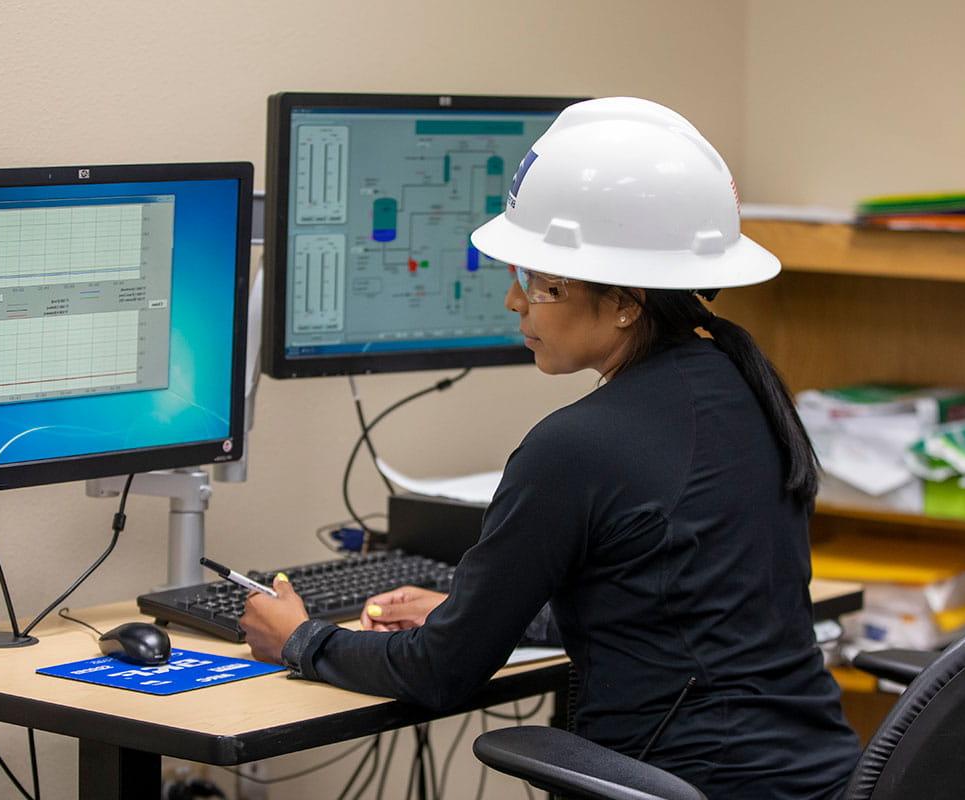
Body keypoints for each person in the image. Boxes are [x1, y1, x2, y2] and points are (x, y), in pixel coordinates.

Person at [241, 97, 860, 799]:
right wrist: (460, 608)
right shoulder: (743, 384)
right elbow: (665, 604)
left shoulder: (576, 445)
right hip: (817, 778)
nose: (516, 303)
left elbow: (441, 674)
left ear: (627, 300)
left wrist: (297, 638)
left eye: (541, 282)